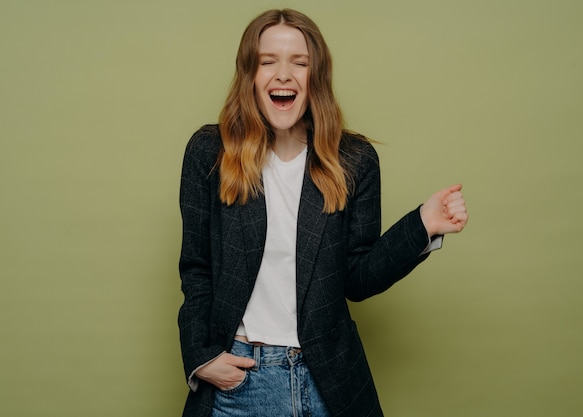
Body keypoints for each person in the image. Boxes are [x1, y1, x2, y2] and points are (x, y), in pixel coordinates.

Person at [178, 8, 468, 417]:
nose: (284, 74)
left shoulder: (354, 160)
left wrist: (422, 225)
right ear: (250, 77)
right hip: (240, 384)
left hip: (328, 381)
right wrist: (202, 358)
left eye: (300, 62)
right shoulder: (210, 153)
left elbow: (357, 278)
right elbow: (196, 267)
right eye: (267, 62)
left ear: (317, 78)